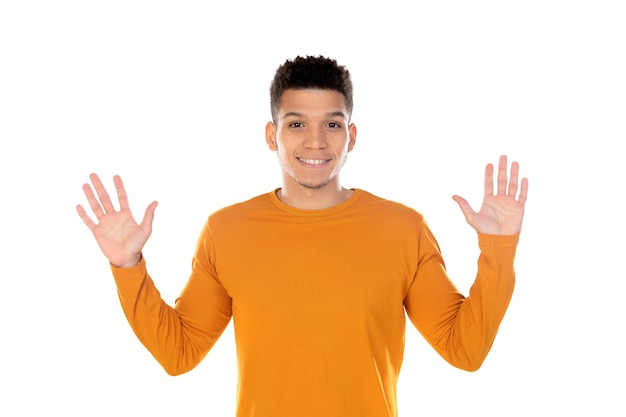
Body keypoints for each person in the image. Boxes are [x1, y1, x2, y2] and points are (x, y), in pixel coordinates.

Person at [76, 55, 528, 417]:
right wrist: (127, 266)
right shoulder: (226, 231)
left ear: (351, 135)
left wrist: (498, 249)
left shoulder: (403, 229)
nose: (316, 141)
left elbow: (464, 350)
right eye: (297, 124)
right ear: (272, 134)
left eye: (332, 124)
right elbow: (180, 353)